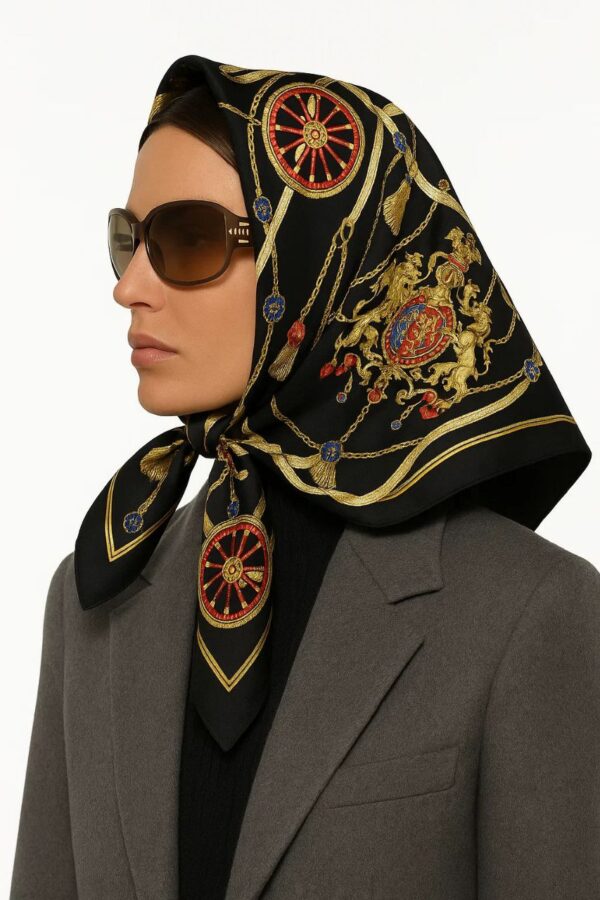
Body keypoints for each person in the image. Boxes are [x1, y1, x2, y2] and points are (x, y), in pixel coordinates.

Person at [10, 52, 600, 900]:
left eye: (186, 239)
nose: (130, 286)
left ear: (324, 257)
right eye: (128, 241)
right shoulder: (90, 600)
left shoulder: (530, 613)